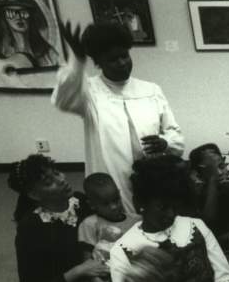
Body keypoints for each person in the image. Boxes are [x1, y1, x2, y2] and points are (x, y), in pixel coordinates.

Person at [52, 20, 184, 215]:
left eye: (124, 56)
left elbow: (175, 135)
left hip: (152, 177)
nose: (122, 63)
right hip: (112, 179)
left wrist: (165, 142)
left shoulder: (151, 90)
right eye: (113, 59)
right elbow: (63, 99)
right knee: (118, 223)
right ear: (99, 63)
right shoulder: (90, 92)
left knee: (156, 218)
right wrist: (77, 62)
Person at [187, 143, 229, 258]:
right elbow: (208, 224)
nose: (219, 173)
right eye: (210, 170)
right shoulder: (197, 194)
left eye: (221, 166)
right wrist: (212, 180)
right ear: (198, 174)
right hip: (217, 252)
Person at [0, 0, 61, 87]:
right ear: (3, 17)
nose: (19, 17)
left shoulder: (48, 53)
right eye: (11, 13)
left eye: (24, 13)